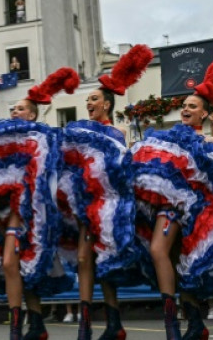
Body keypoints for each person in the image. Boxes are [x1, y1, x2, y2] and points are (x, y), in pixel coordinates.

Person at [128, 52, 213, 340]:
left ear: (204, 113)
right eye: (184, 105)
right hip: (167, 209)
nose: (185, 109)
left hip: (193, 213)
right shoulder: (168, 136)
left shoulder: (207, 141)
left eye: (192, 106)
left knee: (160, 252)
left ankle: (174, 326)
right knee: (176, 260)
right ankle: (193, 323)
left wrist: (212, 146)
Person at [65, 44, 153, 340]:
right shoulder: (81, 132)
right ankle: (89, 323)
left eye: (93, 99)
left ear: (106, 105)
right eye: (87, 99)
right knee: (82, 259)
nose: (88, 103)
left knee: (102, 260)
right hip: (84, 202)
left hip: (109, 205)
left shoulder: (119, 133)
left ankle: (111, 322)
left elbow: (121, 168)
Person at [5, 67, 79, 340]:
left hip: (37, 213)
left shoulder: (45, 138)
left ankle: (34, 324)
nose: (15, 112)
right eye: (13, 109)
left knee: (28, 266)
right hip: (13, 213)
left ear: (33, 115)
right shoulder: (5, 143)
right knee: (11, 264)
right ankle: (25, 325)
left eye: (20, 109)